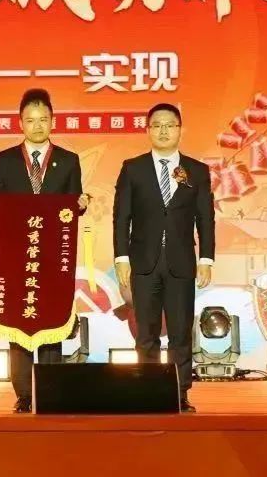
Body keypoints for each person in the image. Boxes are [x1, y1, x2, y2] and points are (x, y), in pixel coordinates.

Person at [0, 88, 89, 413]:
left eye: (43, 119)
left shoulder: (68, 161)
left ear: (53, 121)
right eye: (30, 120)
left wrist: (80, 206)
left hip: (52, 257)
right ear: (20, 123)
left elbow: (71, 207)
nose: (37, 126)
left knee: (51, 319)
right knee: (19, 319)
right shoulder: (4, 160)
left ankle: (50, 389)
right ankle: (24, 394)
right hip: (15, 257)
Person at [113, 103, 215, 413]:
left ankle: (180, 393)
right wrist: (121, 257)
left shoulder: (197, 171)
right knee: (146, 333)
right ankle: (148, 390)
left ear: (180, 130)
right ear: (148, 130)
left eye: (170, 125)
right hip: (143, 261)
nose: (163, 131)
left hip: (181, 262)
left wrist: (206, 259)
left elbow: (205, 218)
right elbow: (121, 217)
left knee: (181, 332)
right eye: (157, 125)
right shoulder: (133, 168)